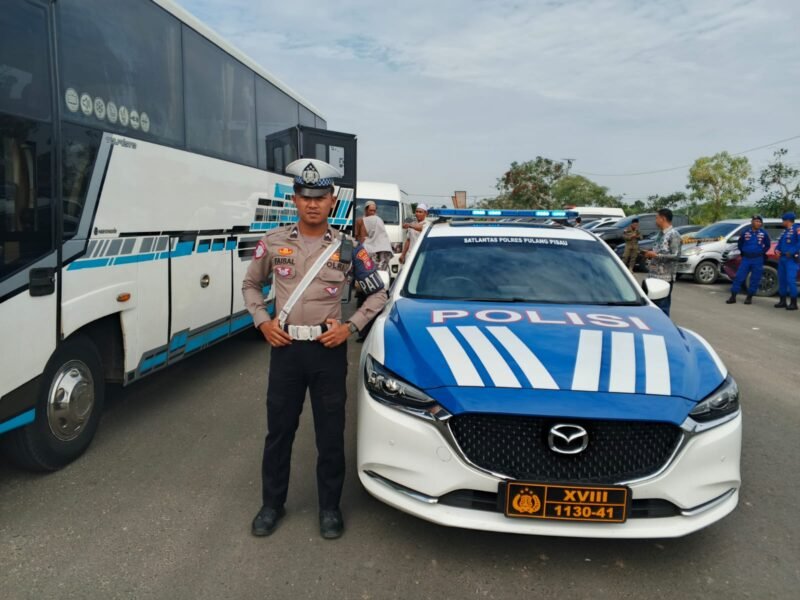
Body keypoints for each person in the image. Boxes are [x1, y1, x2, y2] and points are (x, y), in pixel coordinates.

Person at [242, 158, 388, 540]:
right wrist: (262, 321)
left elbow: (378, 294)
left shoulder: (348, 248)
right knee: (279, 432)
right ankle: (271, 504)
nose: (312, 204)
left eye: (320, 197)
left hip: (327, 352)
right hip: (286, 348)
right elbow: (251, 286)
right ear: (295, 199)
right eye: (306, 196)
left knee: (329, 433)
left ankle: (329, 508)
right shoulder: (273, 243)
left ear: (332, 200)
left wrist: (350, 327)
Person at [644, 208, 682, 317]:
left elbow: (676, 255)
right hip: (653, 276)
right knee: (653, 307)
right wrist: (649, 254)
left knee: (662, 309)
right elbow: (658, 250)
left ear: (663, 218)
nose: (655, 221)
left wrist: (656, 255)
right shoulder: (660, 234)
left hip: (664, 278)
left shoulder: (673, 235)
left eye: (657, 218)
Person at [726, 215, 771, 305]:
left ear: (761, 223)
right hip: (746, 258)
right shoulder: (745, 232)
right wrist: (743, 252)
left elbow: (767, 245)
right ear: (752, 222)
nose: (758, 223)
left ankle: (749, 297)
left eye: (759, 221)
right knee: (739, 277)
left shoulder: (764, 233)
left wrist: (761, 252)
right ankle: (733, 296)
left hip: (758, 259)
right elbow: (740, 243)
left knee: (755, 278)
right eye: (756, 221)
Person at [774, 211, 800, 310]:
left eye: (783, 220)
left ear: (788, 221)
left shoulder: (797, 229)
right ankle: (782, 301)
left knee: (790, 280)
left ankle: (793, 303)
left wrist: (792, 251)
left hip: (791, 259)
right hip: (783, 258)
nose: (782, 222)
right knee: (782, 280)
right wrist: (776, 250)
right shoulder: (785, 231)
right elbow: (780, 243)